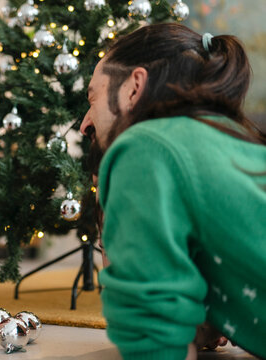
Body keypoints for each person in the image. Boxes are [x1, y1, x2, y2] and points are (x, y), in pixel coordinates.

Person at [80, 23, 266, 359]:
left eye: (93, 97)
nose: (85, 123)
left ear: (134, 87)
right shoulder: (225, 135)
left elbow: (154, 338)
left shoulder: (144, 147)